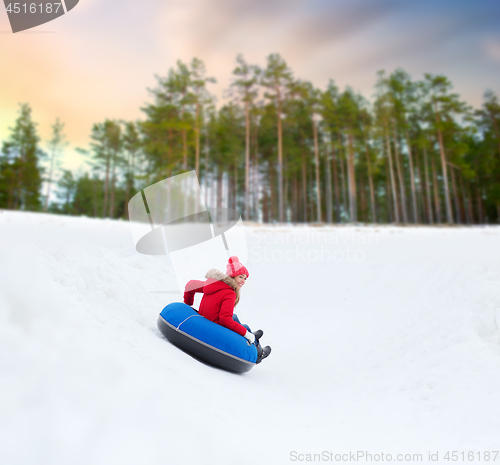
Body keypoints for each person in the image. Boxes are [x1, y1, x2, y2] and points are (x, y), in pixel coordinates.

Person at [183, 256, 271, 363]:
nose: (243, 281)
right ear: (232, 276)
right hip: (215, 327)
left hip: (205, 318)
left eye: (245, 278)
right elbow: (225, 320)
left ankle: (252, 335)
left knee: (235, 317)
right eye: (240, 277)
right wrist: (246, 334)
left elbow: (190, 285)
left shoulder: (212, 284)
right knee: (245, 328)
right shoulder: (230, 293)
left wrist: (187, 304)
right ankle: (259, 353)